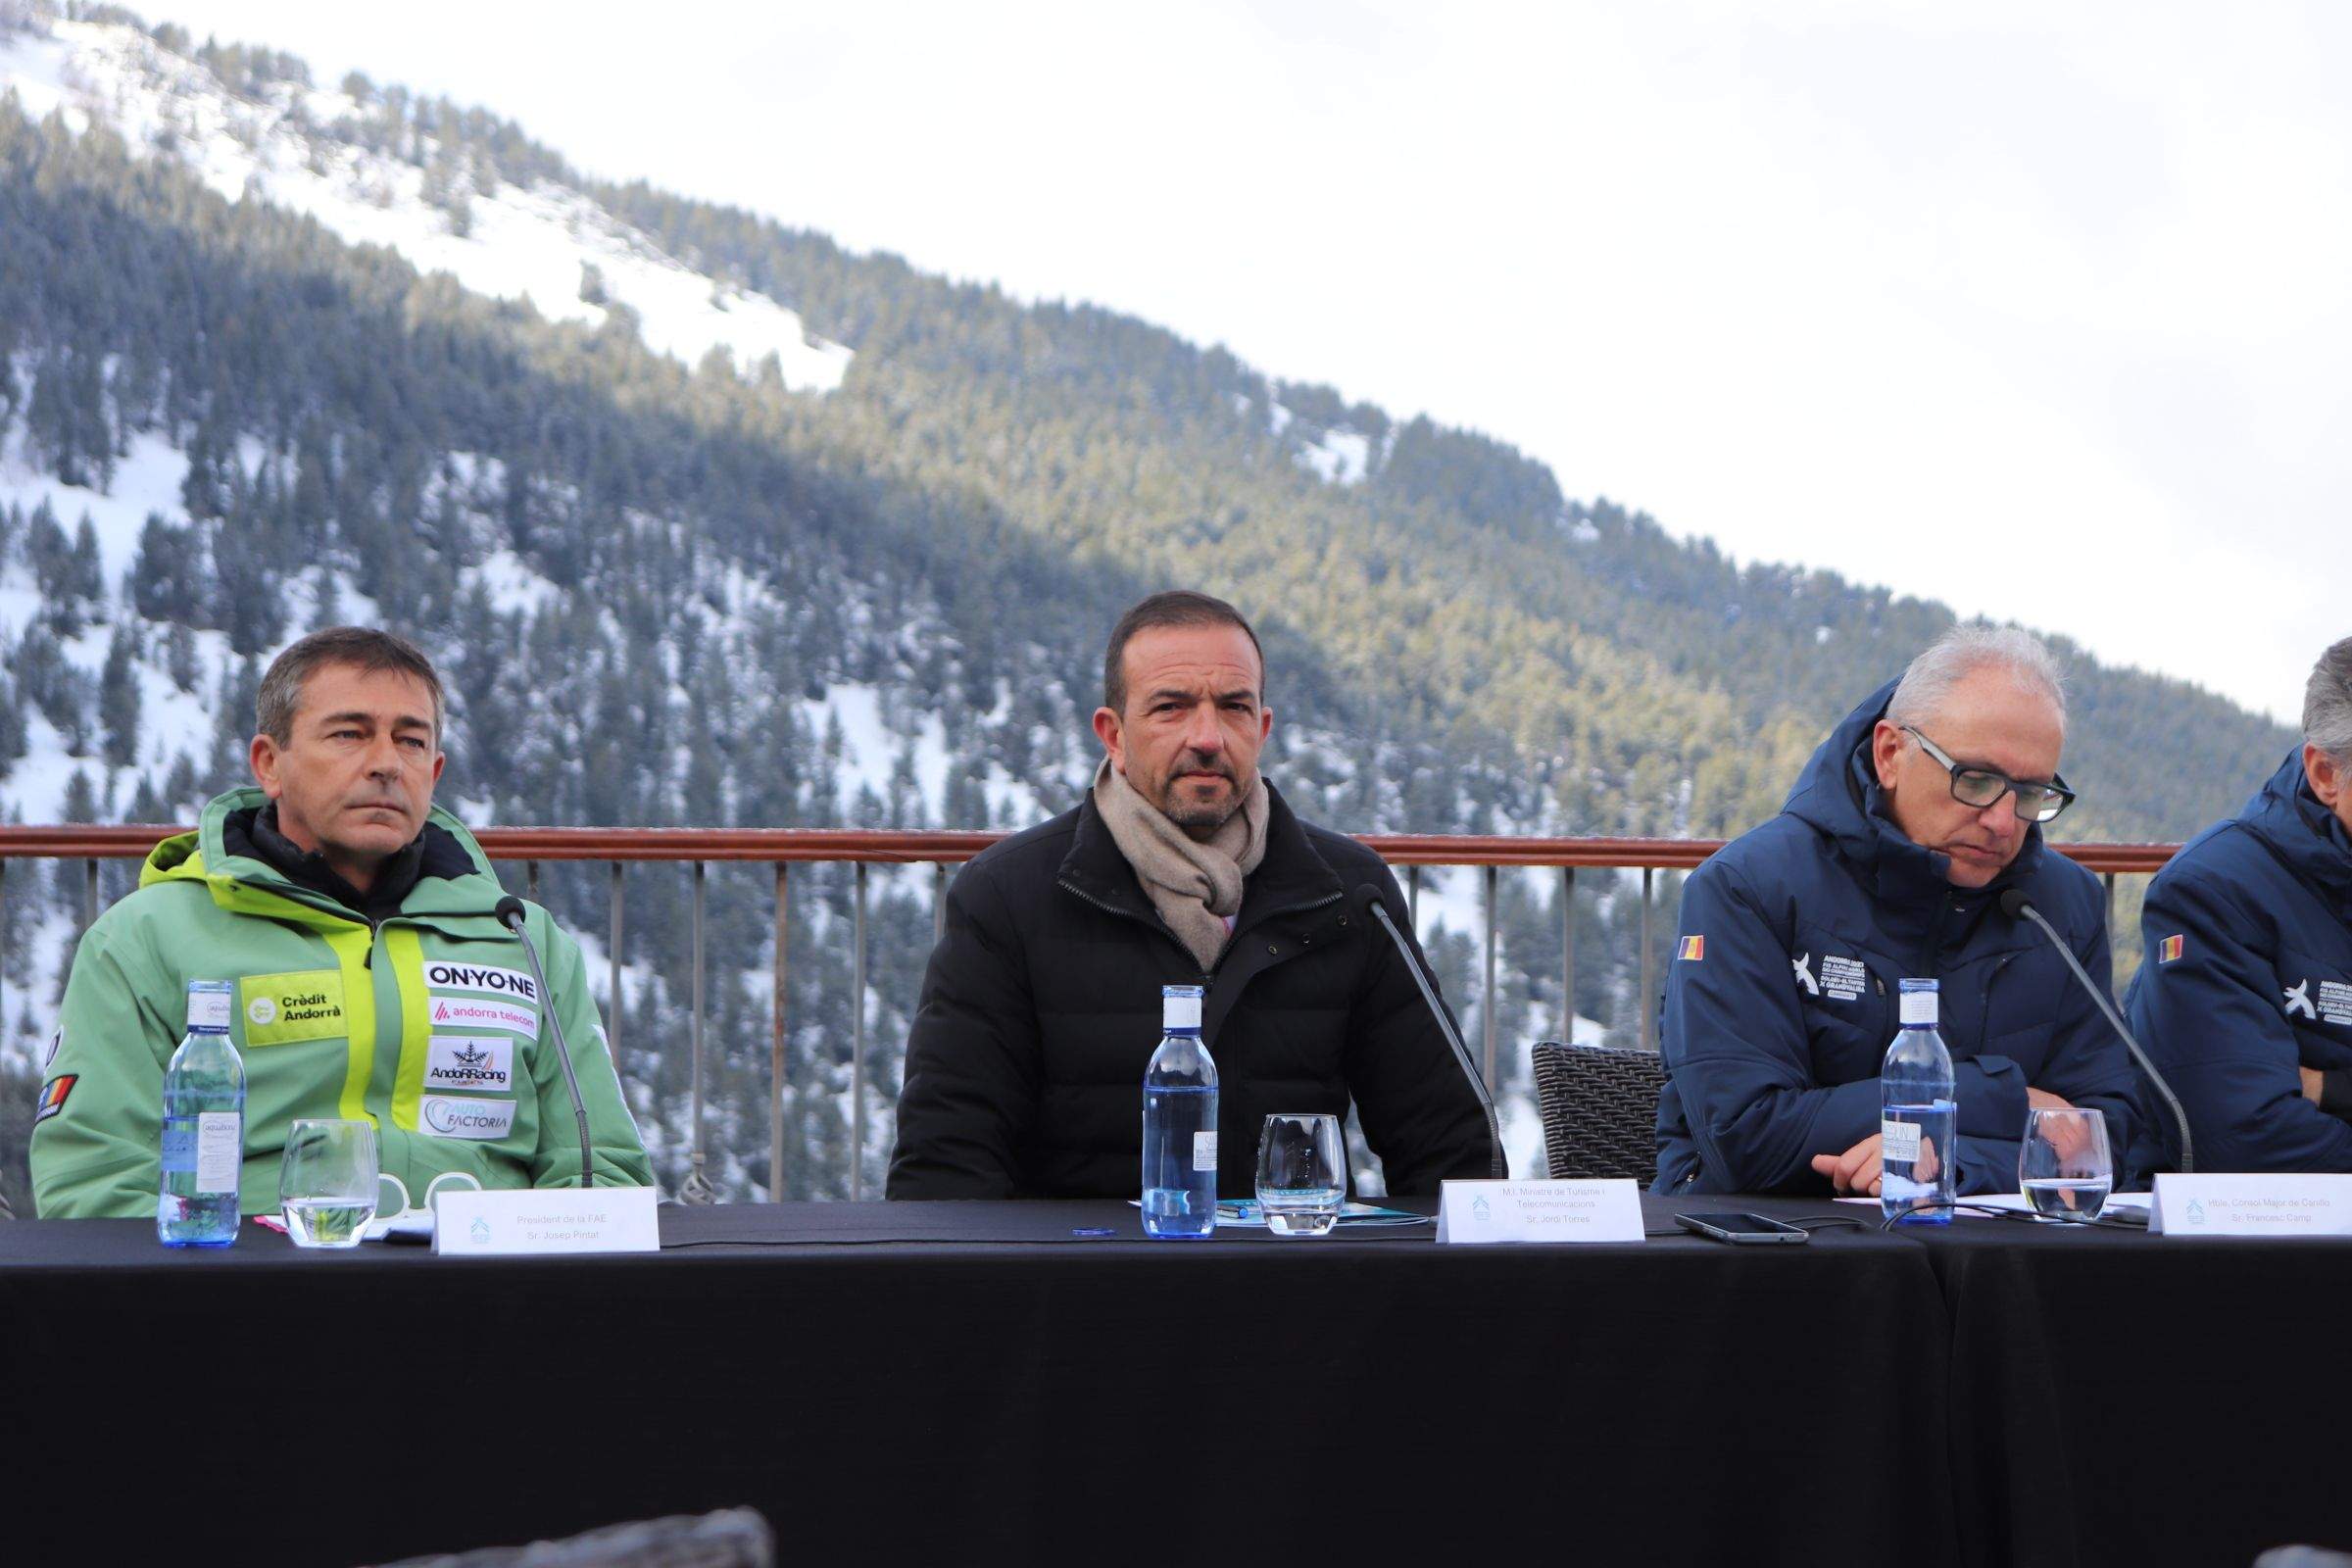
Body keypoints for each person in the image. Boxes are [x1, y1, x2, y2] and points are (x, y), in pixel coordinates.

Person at [888, 590, 1498, 1199]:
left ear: (1261, 729)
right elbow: (947, 1162)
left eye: (1233, 707)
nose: (1207, 737)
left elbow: (1449, 1146)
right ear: (1115, 735)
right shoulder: (1009, 897)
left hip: (1294, 1286)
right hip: (1081, 1284)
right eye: (1171, 707)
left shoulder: (1347, 893)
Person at [31, 627, 651, 1217]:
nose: (386, 763)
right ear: (270, 764)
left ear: (434, 774)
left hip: (483, 1304)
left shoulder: (522, 937)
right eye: (350, 734)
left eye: (411, 741)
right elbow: (95, 1185)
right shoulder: (146, 939)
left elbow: (602, 1173)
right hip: (256, 1305)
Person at [1653, 625, 2141, 1197]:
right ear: (1891, 754)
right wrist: (2001, 1099)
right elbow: (1747, 1138)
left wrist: (1947, 1164)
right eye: (1977, 780)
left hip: (1994, 1258)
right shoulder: (1747, 887)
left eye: (2031, 793)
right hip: (1774, 1250)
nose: (2004, 822)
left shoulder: (2062, 906)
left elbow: (2109, 1140)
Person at [2126, 636, 2352, 1171]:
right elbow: (2247, 1140)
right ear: (2326, 775)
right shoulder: (2213, 892)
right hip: (2260, 1247)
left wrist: (2331, 1088)